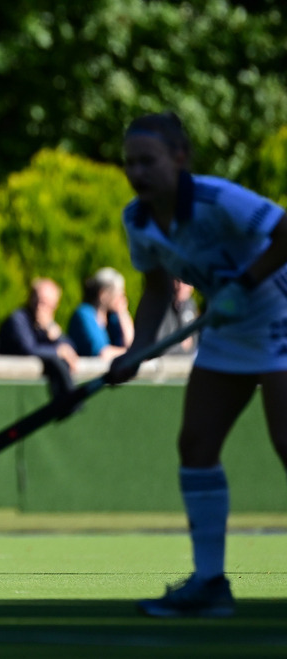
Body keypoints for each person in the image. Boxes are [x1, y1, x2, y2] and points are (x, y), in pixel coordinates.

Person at [107, 111, 287, 618]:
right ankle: (209, 583)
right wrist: (136, 351)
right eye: (130, 164)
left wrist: (247, 282)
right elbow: (157, 289)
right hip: (229, 332)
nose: (137, 173)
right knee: (197, 445)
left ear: (180, 158)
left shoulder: (217, 198)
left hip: (280, 316)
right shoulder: (137, 219)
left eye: (149, 161)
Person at [0, 277, 80, 400]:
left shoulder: (47, 325)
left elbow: (70, 350)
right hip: (7, 388)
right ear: (30, 299)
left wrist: (55, 334)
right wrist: (57, 351)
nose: (40, 307)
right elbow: (28, 349)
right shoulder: (18, 319)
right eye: (38, 300)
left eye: (46, 303)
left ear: (55, 305)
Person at [66, 267, 135, 359]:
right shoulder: (84, 314)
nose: (122, 299)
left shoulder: (112, 318)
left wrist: (123, 313)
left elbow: (130, 343)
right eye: (118, 294)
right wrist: (130, 353)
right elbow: (103, 353)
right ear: (103, 294)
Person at [156, 278, 199, 356]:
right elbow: (160, 344)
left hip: (185, 359)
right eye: (178, 281)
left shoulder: (190, 305)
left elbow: (191, 344)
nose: (180, 286)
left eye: (185, 283)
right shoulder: (162, 306)